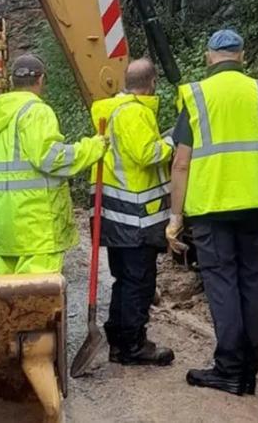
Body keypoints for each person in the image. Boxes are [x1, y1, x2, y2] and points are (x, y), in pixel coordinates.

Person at [166, 30, 258, 395]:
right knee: (248, 281)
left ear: (209, 57)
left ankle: (229, 369)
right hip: (253, 205)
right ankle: (249, 368)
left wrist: (175, 217)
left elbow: (181, 163)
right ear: (242, 56)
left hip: (211, 206)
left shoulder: (196, 96)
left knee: (222, 282)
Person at [0, 54, 108, 275]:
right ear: (41, 80)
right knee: (37, 302)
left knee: (6, 301)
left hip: (4, 228)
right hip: (36, 227)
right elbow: (51, 159)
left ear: (11, 81)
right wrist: (93, 147)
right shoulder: (37, 111)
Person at [90, 58, 175, 366]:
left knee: (125, 280)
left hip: (116, 216)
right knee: (138, 282)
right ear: (151, 83)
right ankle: (132, 345)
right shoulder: (134, 112)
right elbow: (146, 154)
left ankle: (119, 340)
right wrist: (172, 141)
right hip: (136, 216)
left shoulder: (113, 111)